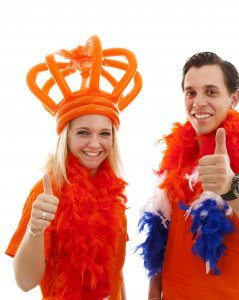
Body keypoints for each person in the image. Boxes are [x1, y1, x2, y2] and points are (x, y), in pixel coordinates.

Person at [137, 52, 239, 300]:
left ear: (234, 98)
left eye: (211, 92)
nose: (198, 102)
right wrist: (154, 289)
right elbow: (164, 235)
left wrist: (232, 188)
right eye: (191, 92)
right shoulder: (176, 160)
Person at [5, 35, 142, 300]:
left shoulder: (113, 193)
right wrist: (35, 229)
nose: (95, 143)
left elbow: (116, 273)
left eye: (104, 133)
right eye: (83, 132)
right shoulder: (46, 193)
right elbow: (24, 282)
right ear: (65, 137)